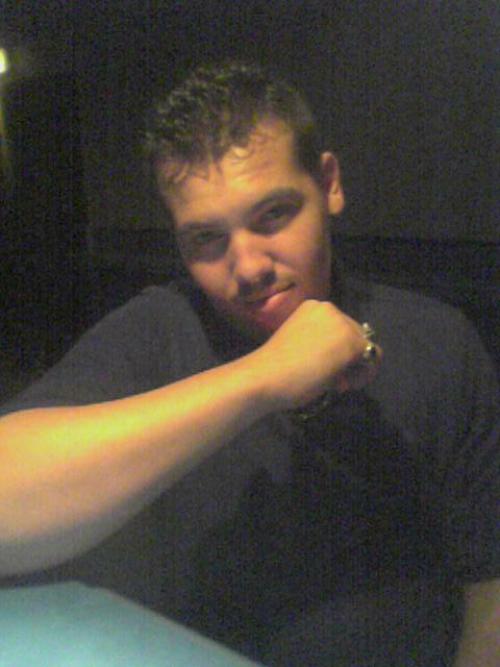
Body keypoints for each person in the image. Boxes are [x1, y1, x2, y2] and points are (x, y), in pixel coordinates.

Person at [0, 61, 498, 666]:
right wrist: (262, 378)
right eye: (206, 239)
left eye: (273, 216)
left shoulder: (439, 341)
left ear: (329, 184)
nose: (249, 267)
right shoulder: (158, 329)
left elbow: (489, 581)